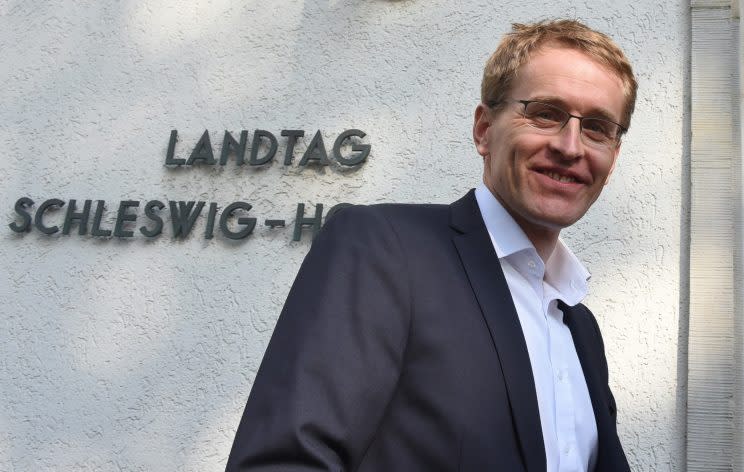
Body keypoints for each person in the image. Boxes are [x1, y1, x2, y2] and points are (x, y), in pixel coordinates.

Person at [226, 19, 636, 472]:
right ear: (484, 130)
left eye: (597, 127)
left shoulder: (580, 325)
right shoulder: (384, 249)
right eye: (545, 113)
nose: (570, 146)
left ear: (613, 157)